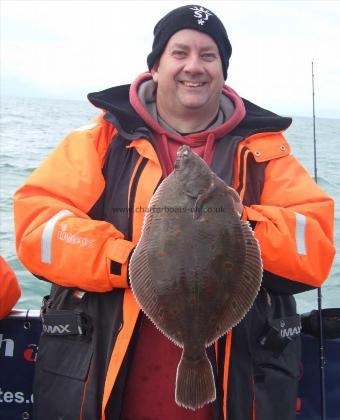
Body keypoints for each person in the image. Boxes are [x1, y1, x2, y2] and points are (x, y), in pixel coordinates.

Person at [13, 4, 335, 420]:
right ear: (156, 65)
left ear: (223, 70)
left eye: (208, 55)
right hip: (100, 384)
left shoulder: (266, 151)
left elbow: (314, 249)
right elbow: (37, 224)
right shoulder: (100, 140)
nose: (193, 66)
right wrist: (129, 262)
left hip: (236, 392)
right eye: (179, 52)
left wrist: (240, 226)